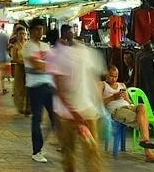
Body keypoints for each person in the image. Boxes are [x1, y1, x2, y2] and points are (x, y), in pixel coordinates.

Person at [48, 24, 105, 172]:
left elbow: (94, 81)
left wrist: (99, 106)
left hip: (84, 110)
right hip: (67, 113)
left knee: (91, 152)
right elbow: (58, 87)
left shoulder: (87, 53)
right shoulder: (59, 55)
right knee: (71, 153)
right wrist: (75, 113)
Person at [101, 66, 154, 163]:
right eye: (111, 76)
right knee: (143, 121)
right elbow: (97, 102)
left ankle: (144, 141)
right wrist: (113, 97)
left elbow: (129, 102)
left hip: (128, 106)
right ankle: (148, 152)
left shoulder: (122, 85)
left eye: (116, 76)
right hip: (116, 110)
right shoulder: (102, 85)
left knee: (142, 106)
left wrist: (125, 97)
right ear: (106, 74)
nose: (114, 79)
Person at [25, 18, 58, 163]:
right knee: (37, 119)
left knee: (56, 117)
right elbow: (37, 65)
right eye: (37, 29)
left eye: (41, 28)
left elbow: (52, 64)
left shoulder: (45, 46)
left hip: (49, 85)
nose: (40, 31)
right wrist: (47, 65)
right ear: (31, 30)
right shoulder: (28, 46)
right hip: (35, 87)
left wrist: (45, 65)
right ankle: (36, 151)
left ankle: (56, 141)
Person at [10, 25, 29, 115]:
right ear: (17, 35)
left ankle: (28, 107)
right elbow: (14, 58)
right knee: (19, 87)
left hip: (28, 68)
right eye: (20, 34)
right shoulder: (15, 46)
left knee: (28, 87)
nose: (22, 35)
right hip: (19, 68)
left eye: (24, 33)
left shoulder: (28, 44)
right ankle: (20, 106)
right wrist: (23, 62)